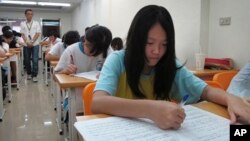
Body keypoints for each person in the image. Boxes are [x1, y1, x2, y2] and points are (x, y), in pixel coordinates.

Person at [92, 5, 250, 129]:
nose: (157, 51)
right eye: (149, 43)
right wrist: (149, 110)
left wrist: (231, 99)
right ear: (136, 39)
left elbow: (206, 90)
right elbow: (98, 102)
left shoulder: (169, 65)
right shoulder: (117, 60)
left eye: (165, 44)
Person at [54, 25, 112, 113]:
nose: (91, 54)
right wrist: (65, 71)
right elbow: (55, 76)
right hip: (76, 98)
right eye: (89, 46)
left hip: (101, 98)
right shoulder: (71, 50)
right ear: (85, 39)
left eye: (97, 51)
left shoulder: (107, 51)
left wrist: (107, 73)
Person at [20, 9, 41, 82]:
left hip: (35, 44)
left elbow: (38, 33)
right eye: (28, 14)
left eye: (31, 14)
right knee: (27, 60)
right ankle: (29, 73)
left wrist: (31, 42)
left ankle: (34, 75)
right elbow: (22, 34)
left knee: (35, 60)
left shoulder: (36, 23)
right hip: (26, 45)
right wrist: (27, 42)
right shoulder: (22, 23)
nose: (30, 15)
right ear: (25, 15)